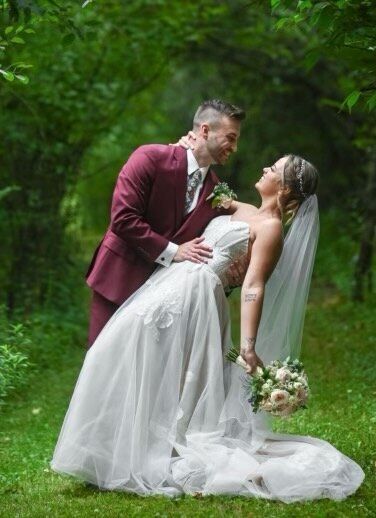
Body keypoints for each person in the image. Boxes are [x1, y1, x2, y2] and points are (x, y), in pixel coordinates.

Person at [51, 155, 364, 501]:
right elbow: (203, 193)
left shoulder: (271, 228)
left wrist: (248, 345)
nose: (263, 169)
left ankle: (137, 453)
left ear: (286, 187)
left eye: (273, 169)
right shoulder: (246, 210)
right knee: (118, 352)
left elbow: (254, 286)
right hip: (174, 284)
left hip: (196, 298)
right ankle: (109, 450)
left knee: (147, 359)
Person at [85, 99, 246, 346]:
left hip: (162, 299)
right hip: (118, 279)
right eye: (231, 138)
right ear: (205, 130)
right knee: (101, 365)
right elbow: (123, 218)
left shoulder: (216, 192)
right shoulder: (150, 157)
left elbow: (207, 247)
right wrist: (174, 251)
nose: (234, 147)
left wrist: (228, 279)